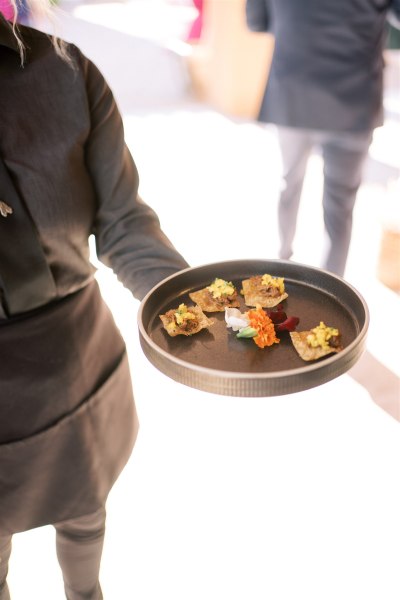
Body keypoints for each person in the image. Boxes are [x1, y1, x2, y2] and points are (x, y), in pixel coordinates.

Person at [0, 2, 189, 598]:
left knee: (85, 510)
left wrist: (193, 308)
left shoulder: (65, 73)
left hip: (77, 360)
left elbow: (123, 220)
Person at [246, 0, 400, 277]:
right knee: (340, 204)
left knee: (288, 181)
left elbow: (256, 22)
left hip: (294, 94)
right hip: (353, 102)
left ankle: (281, 263)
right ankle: (332, 287)